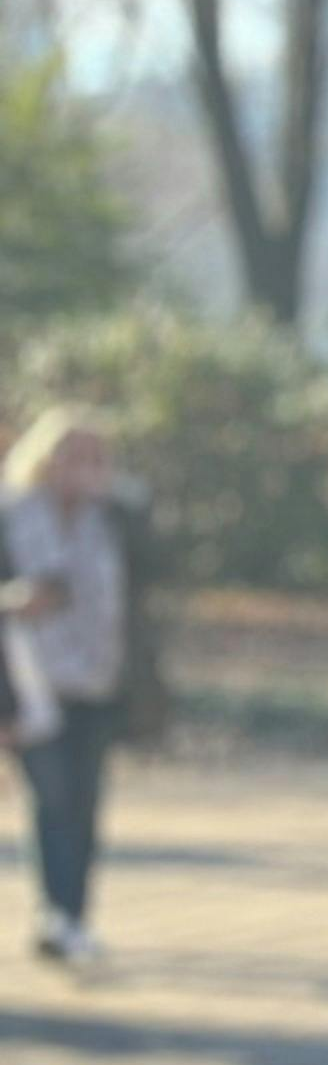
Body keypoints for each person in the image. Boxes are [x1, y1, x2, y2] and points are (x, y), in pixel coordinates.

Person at [3, 410, 149, 967]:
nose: (81, 467)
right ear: (42, 457)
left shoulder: (114, 518)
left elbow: (156, 572)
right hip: (30, 679)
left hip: (100, 678)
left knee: (86, 803)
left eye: (94, 456)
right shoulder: (9, 516)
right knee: (51, 798)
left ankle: (74, 914)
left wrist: (111, 498)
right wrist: (15, 599)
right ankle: (56, 913)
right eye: (71, 454)